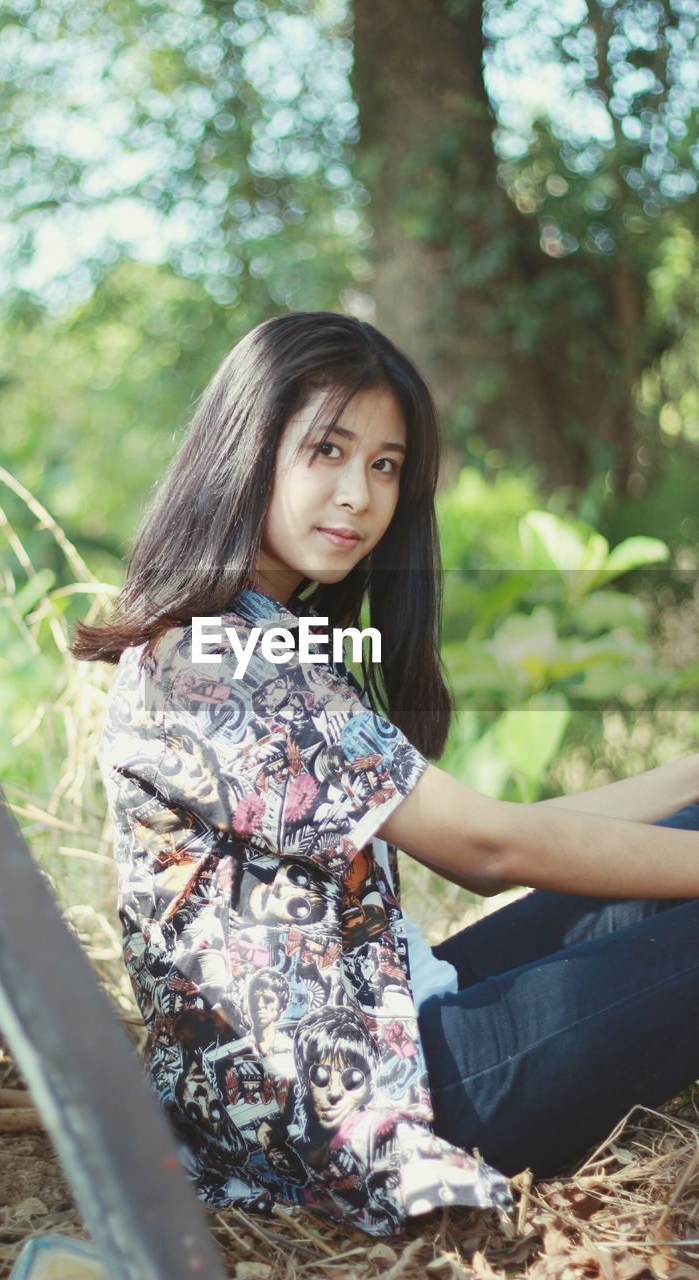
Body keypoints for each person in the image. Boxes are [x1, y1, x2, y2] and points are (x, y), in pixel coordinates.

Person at [71, 311, 699, 1236]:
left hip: (393, 1023)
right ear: (246, 449)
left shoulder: (252, 637)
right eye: (327, 449)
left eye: (384, 464)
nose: (360, 495)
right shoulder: (215, 661)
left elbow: (504, 823)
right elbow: (487, 850)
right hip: (365, 1108)